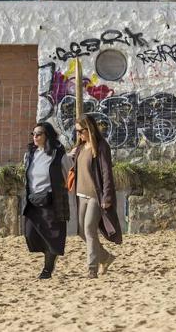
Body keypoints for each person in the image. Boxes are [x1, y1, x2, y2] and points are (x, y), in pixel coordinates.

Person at [69, 113, 121, 278]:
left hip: (95, 196)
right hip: (80, 194)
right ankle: (105, 257)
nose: (78, 134)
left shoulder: (101, 147)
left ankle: (92, 269)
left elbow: (106, 173)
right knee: (81, 231)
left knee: (90, 229)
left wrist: (107, 197)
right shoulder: (79, 148)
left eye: (80, 131)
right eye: (76, 131)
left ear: (89, 129)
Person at [22, 122, 71, 279]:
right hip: (33, 201)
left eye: (39, 134)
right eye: (33, 134)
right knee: (30, 233)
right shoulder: (31, 154)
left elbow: (68, 173)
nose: (35, 137)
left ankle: (47, 269)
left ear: (47, 135)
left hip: (50, 200)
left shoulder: (57, 154)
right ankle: (49, 256)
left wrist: (63, 190)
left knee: (53, 236)